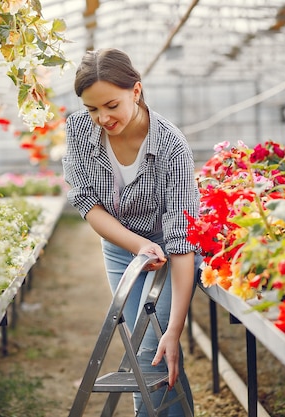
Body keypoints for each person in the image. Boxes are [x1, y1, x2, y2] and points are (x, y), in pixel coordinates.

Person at [62, 48, 201, 416]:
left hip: (171, 253)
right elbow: (87, 202)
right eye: (93, 109)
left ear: (135, 92)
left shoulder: (171, 146)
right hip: (122, 249)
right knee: (152, 349)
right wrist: (138, 245)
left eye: (111, 105)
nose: (102, 118)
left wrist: (177, 328)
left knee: (153, 346)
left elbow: (184, 239)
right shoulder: (78, 130)